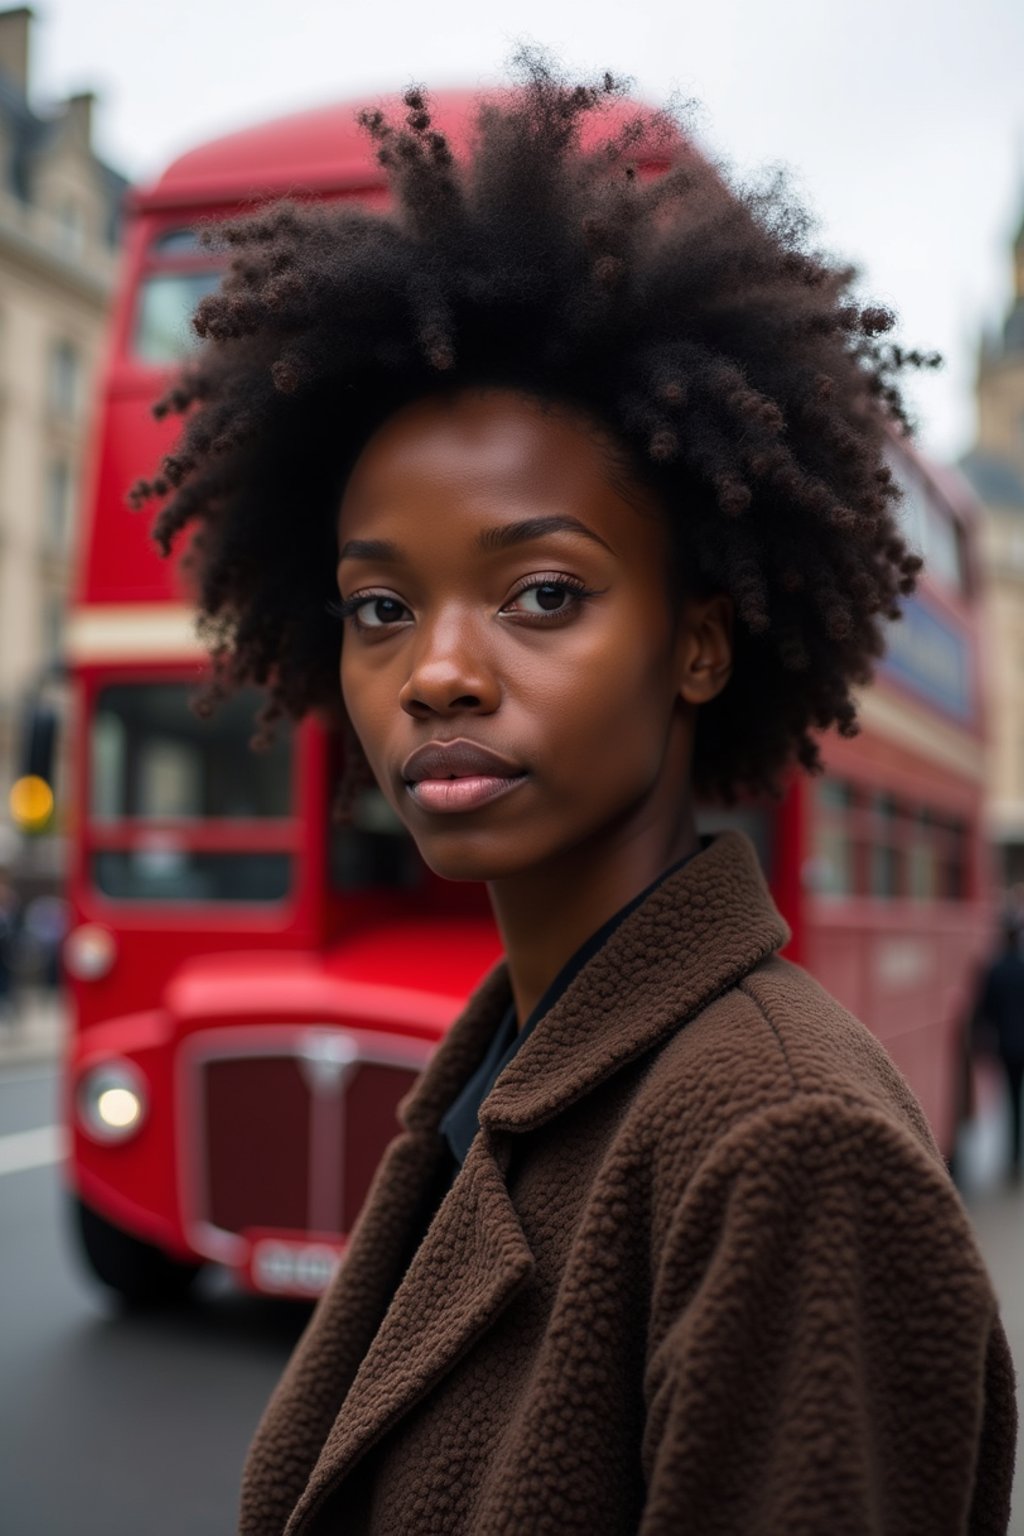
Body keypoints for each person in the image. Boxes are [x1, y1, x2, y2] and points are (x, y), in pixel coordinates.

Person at [133, 59, 1016, 1535]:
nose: (438, 674)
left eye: (542, 593)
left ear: (699, 644)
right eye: (376, 609)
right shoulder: (506, 1078)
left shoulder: (787, 1147)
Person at [975, 917, 1024, 1182]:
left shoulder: (995, 970)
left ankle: (1013, 1158)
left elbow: (985, 1011)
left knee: (1013, 1100)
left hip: (1006, 1046)